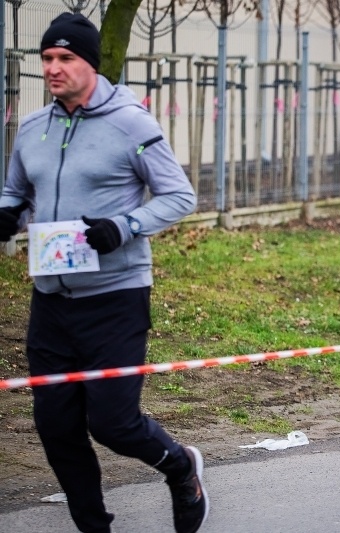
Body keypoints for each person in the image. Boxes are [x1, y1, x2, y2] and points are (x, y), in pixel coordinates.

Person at [0, 13, 207, 533]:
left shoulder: (130, 123)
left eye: (65, 58)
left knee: (112, 423)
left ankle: (181, 467)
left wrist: (125, 225)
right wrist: (7, 213)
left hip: (116, 295)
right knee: (56, 428)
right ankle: (94, 526)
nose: (53, 67)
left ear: (90, 64)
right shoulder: (31, 128)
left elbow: (179, 195)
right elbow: (17, 193)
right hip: (50, 298)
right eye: (47, 58)